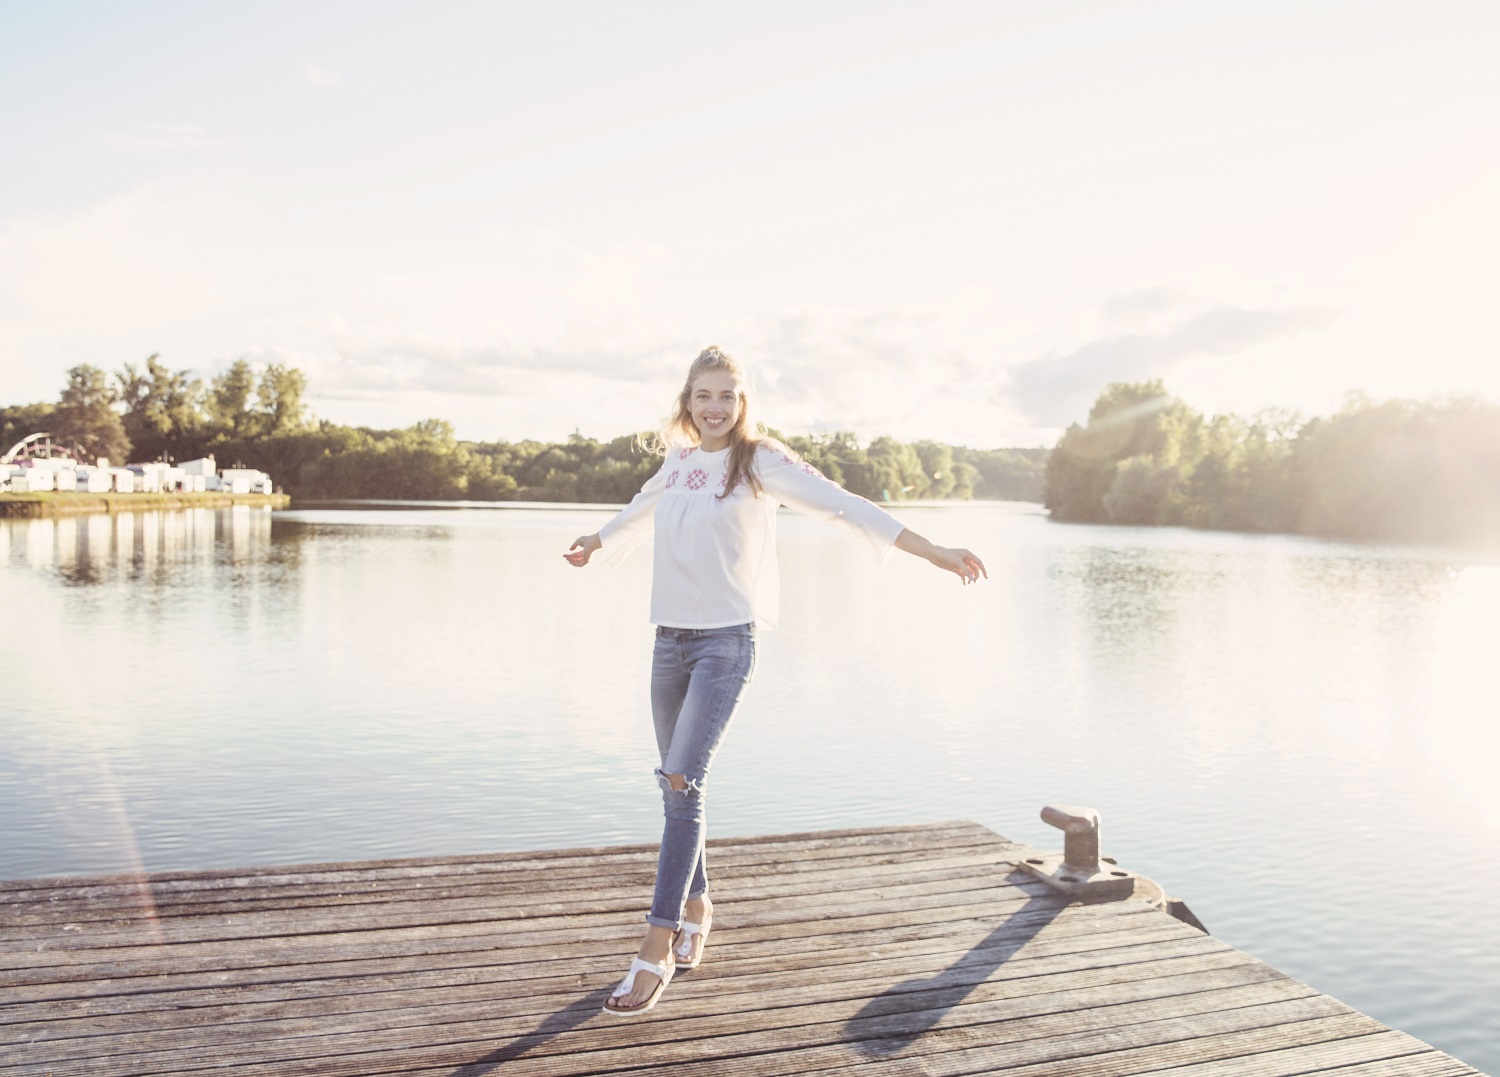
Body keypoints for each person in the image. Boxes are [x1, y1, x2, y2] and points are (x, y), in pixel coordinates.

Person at [564, 345, 986, 1016]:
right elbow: (635, 511)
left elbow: (843, 504)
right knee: (677, 785)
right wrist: (596, 540)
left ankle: (657, 942)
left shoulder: (759, 460)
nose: (715, 407)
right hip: (668, 641)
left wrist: (931, 549)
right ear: (688, 400)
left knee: (682, 780)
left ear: (743, 403)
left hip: (725, 644)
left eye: (727, 396)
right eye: (704, 395)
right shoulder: (677, 464)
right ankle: (698, 900)